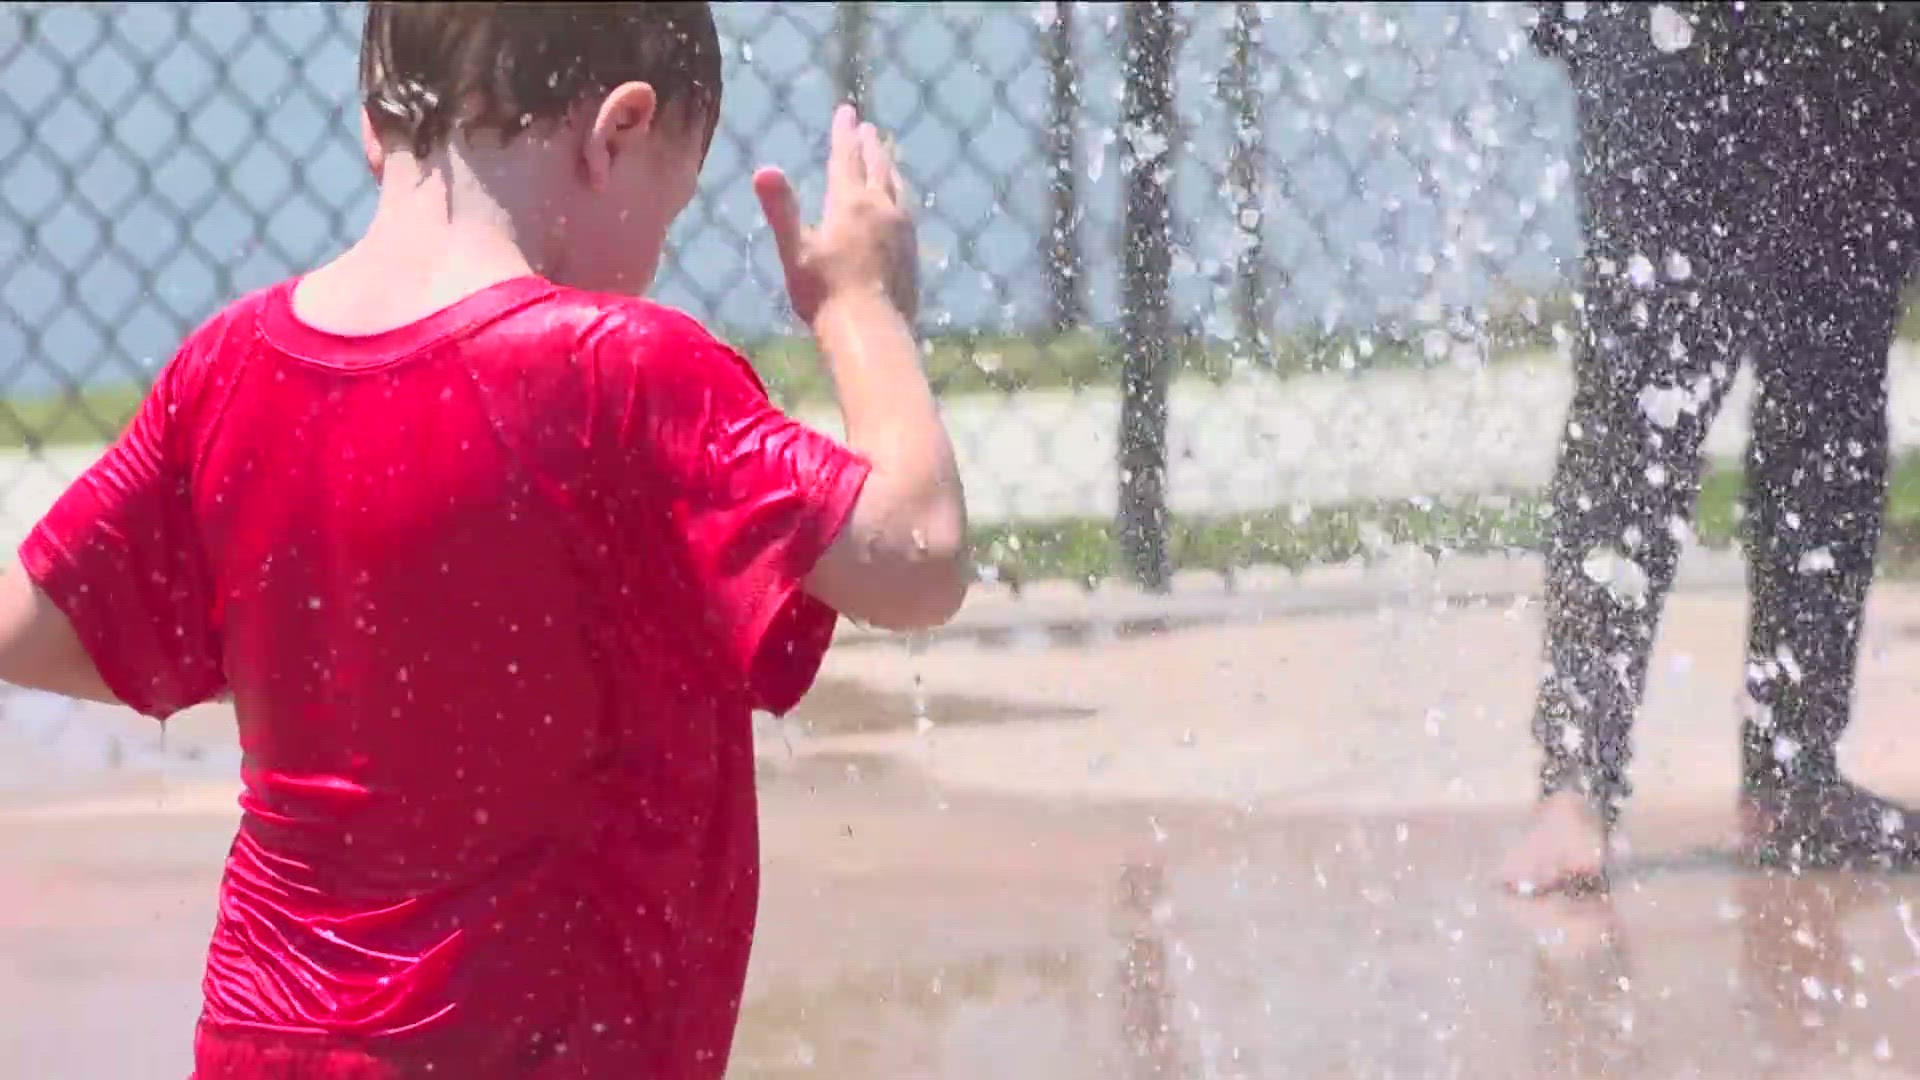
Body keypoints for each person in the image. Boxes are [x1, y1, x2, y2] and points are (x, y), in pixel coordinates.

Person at [0, 3, 969, 1075]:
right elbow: (916, 554)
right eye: (672, 208)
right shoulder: (620, 369)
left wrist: (341, 658)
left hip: (263, 1040)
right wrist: (859, 304)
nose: (656, 254)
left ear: (374, 122)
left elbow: (29, 626)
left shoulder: (228, 368)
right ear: (619, 131)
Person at [1504, 1, 1920, 896]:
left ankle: (1795, 769)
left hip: (1867, 34)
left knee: (1835, 385)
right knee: (1642, 379)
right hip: (1672, 27)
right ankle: (1575, 782)